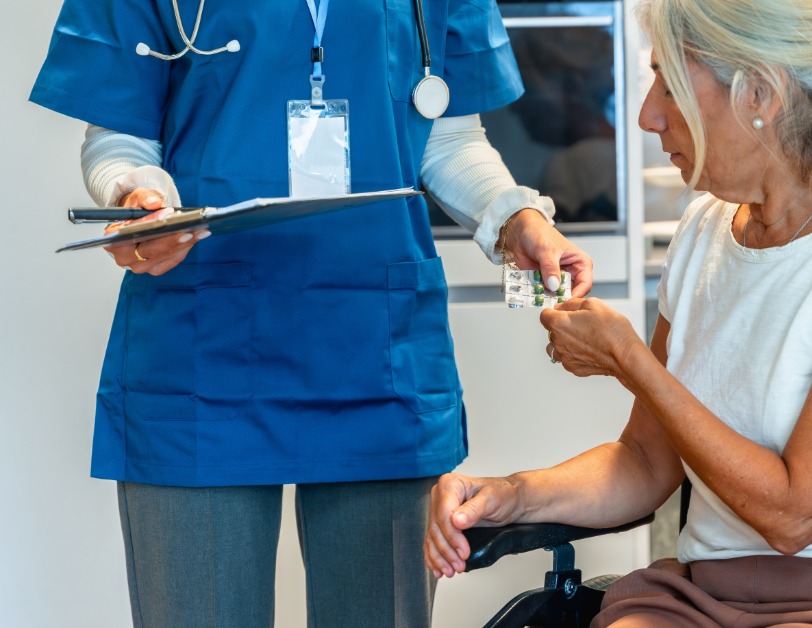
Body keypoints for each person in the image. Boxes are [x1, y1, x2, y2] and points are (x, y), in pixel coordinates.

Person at [426, 0, 812, 626]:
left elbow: (795, 516)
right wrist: (514, 495)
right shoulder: (705, 231)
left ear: (760, 94)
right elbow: (644, 462)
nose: (647, 116)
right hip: (710, 599)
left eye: (670, 83)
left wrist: (633, 362)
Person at [30, 1, 592, 627]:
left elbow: (449, 135)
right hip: (200, 350)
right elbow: (120, 134)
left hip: (376, 347)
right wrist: (138, 196)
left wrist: (517, 217)